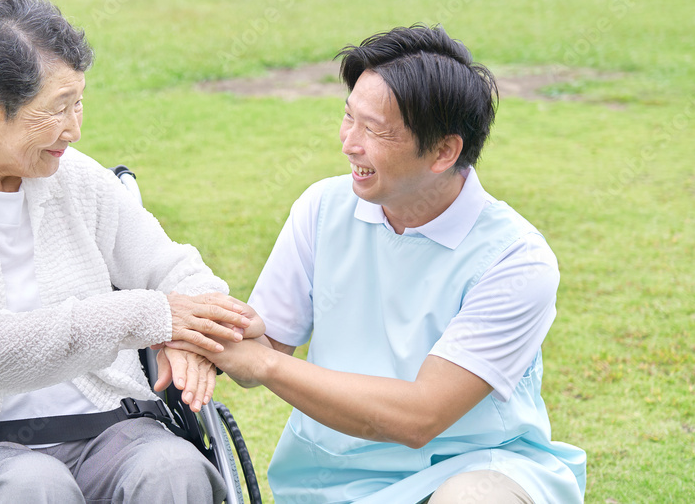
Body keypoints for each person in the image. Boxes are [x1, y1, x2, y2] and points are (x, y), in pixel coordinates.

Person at [0, 0, 262, 504]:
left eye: (79, 102)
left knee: (173, 468)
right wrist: (149, 316)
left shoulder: (79, 179)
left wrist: (191, 338)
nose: (75, 129)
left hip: (113, 427)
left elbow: (179, 272)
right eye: (57, 109)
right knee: (35, 487)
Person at [172, 25, 587, 503]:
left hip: (476, 469)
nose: (350, 143)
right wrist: (200, 331)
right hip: (329, 480)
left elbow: (420, 418)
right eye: (349, 118)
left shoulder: (516, 259)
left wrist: (263, 362)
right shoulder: (323, 207)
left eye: (375, 130)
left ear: (444, 151)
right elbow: (260, 348)